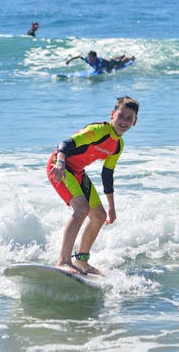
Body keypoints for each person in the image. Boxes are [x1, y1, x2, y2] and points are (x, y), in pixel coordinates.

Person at [47, 96, 140, 275]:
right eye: (121, 115)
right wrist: (60, 162)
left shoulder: (118, 145)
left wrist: (112, 208)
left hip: (77, 172)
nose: (124, 121)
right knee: (81, 209)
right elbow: (65, 144)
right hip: (60, 166)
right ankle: (63, 261)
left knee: (99, 216)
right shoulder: (98, 130)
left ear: (134, 122)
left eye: (129, 118)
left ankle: (82, 261)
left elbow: (107, 175)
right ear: (112, 114)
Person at [65, 51, 136, 74]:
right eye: (88, 57)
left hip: (109, 65)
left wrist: (108, 72)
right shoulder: (87, 59)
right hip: (106, 61)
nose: (89, 59)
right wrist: (69, 60)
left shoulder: (99, 62)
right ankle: (120, 56)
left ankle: (130, 58)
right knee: (112, 59)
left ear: (95, 57)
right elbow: (79, 56)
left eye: (90, 57)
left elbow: (105, 70)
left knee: (119, 63)